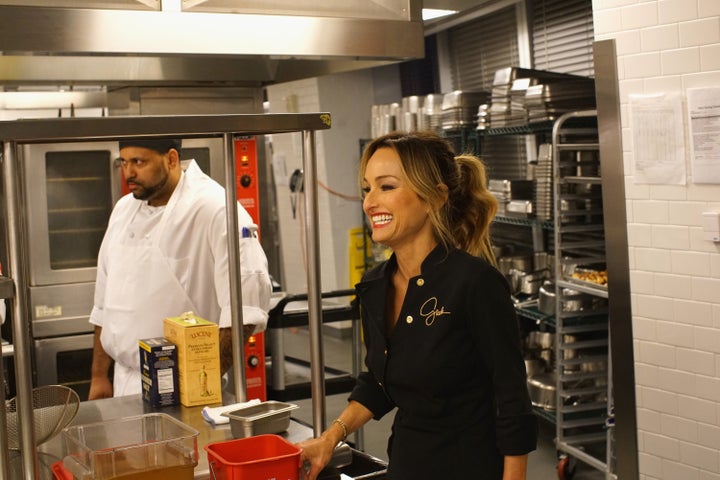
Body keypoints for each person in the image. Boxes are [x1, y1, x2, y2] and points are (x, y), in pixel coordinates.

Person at [298, 131, 537, 479]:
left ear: (435, 198)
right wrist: (330, 437)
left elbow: (512, 399)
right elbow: (379, 382)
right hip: (407, 464)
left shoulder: (474, 284)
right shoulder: (375, 284)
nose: (369, 202)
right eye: (367, 189)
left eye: (387, 186)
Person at [88, 138, 272, 399]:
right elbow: (103, 305)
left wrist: (196, 384)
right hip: (124, 381)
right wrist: (98, 376)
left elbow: (244, 308)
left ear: (172, 159)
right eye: (124, 162)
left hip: (183, 386)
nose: (129, 173)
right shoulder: (123, 209)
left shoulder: (214, 207)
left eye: (139, 162)